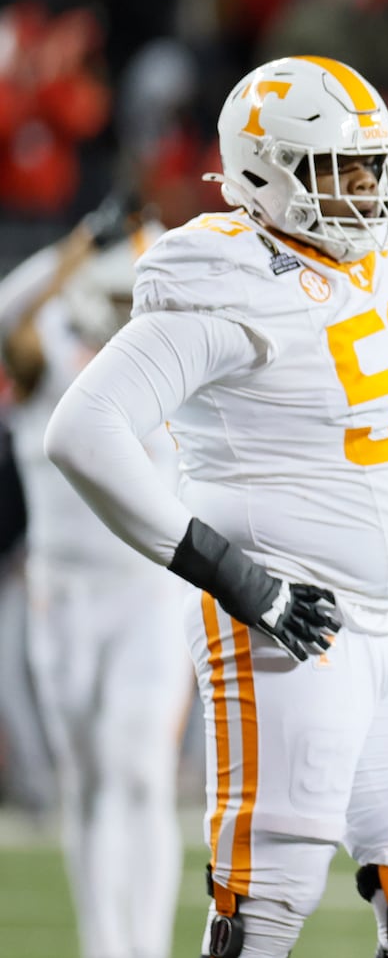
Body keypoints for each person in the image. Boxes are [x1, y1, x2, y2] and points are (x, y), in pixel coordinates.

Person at [44, 56, 388, 958]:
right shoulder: (229, 272)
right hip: (292, 627)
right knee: (267, 908)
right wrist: (237, 579)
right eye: (334, 169)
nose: (363, 189)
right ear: (261, 173)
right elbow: (84, 429)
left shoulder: (386, 253)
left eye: (372, 164)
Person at [0, 191, 192, 958]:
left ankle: (142, 948)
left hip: (150, 590)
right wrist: (73, 247)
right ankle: (105, 945)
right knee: (85, 775)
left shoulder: (180, 359)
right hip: (63, 593)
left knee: (138, 765)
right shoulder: (46, 345)